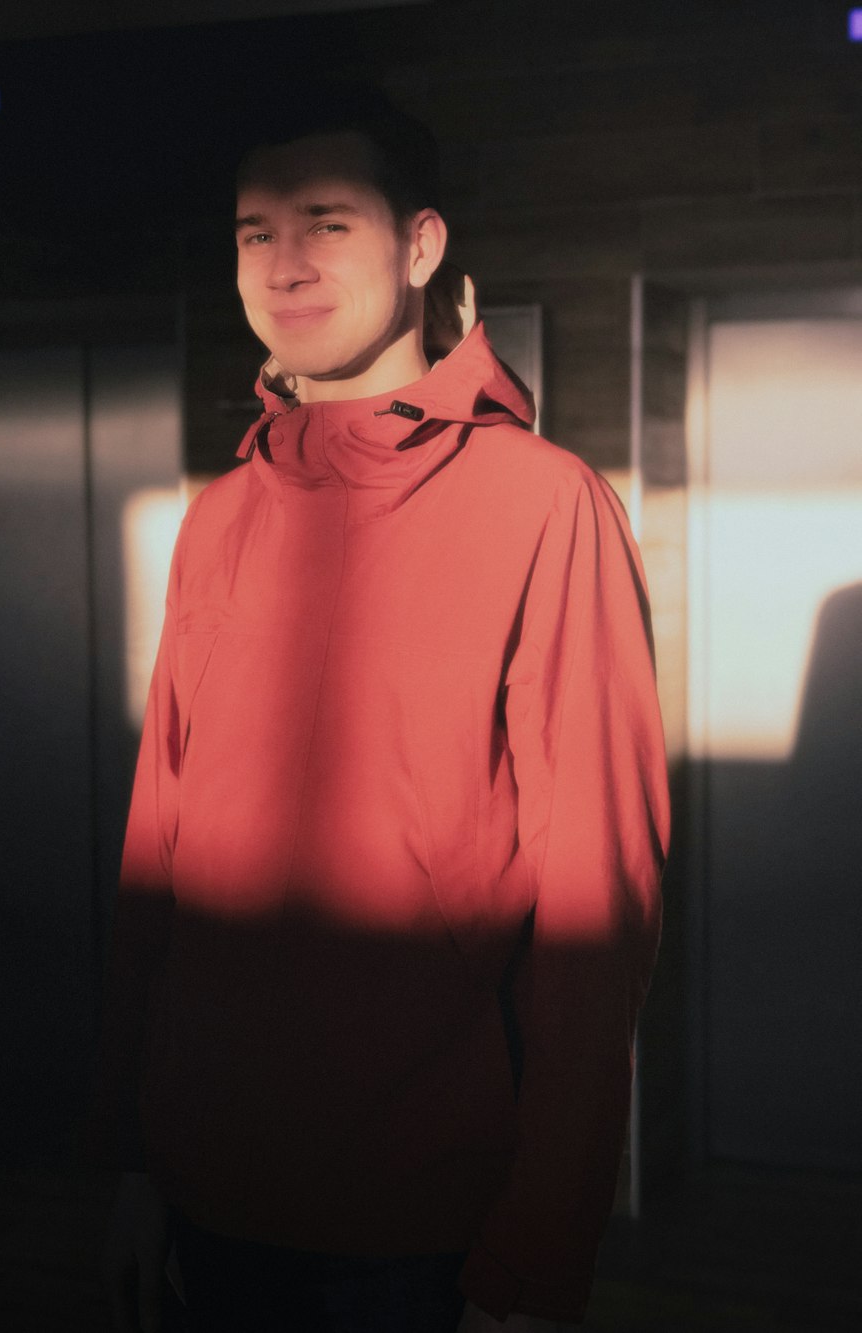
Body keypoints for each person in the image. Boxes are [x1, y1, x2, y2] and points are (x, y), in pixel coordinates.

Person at [92, 84, 669, 1333]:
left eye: (325, 221)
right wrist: (131, 1159)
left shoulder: (542, 503)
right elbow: (158, 858)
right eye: (253, 232)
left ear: (420, 245)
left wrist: (537, 1251)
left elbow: (598, 898)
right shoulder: (224, 515)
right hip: (207, 1190)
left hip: (422, 1220)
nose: (282, 262)